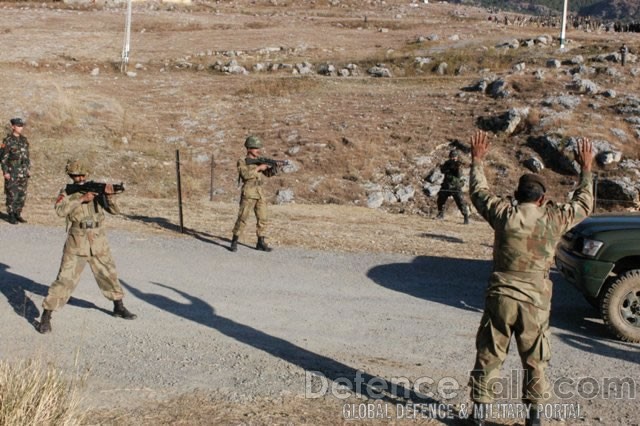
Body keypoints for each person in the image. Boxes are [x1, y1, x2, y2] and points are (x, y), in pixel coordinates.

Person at [466, 131, 593, 426]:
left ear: (517, 196)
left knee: (490, 353)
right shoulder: (554, 218)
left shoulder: (503, 214)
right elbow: (584, 204)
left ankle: (480, 414)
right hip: (535, 300)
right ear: (542, 199)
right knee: (535, 359)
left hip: (501, 296)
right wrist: (586, 168)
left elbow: (478, 193)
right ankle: (534, 418)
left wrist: (477, 160)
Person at [37, 159, 136, 334]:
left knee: (109, 275)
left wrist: (109, 196)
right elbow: (60, 211)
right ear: (71, 176)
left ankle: (118, 306)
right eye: (76, 176)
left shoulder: (96, 189)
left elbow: (114, 211)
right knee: (65, 279)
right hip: (77, 241)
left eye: (82, 175)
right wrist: (82, 199)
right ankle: (46, 316)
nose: (80, 178)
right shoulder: (67, 192)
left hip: (98, 239)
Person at [230, 135, 276, 252]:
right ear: (249, 148)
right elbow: (245, 175)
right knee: (242, 218)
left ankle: (260, 242)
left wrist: (273, 168)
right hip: (249, 193)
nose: (258, 150)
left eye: (258, 148)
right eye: (256, 148)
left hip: (260, 194)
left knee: (263, 218)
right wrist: (258, 168)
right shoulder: (242, 161)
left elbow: (269, 174)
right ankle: (234, 241)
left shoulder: (259, 160)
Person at [0, 117, 31, 224]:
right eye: (18, 125)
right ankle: (11, 215)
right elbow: (3, 158)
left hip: (23, 172)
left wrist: (28, 169)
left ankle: (18, 214)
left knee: (22, 194)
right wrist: (5, 172)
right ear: (13, 126)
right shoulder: (8, 140)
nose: (20, 128)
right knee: (12, 194)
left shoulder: (24, 140)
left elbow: (26, 157)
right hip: (12, 172)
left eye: (21, 126)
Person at [436, 149, 470, 224]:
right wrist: (447, 167)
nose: (452, 158)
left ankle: (466, 217)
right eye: (451, 157)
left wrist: (456, 167)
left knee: (460, 202)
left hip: (455, 186)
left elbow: (459, 175)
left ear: (457, 157)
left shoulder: (458, 164)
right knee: (440, 200)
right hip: (446, 185)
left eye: (454, 157)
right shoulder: (447, 163)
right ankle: (440, 214)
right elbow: (442, 170)